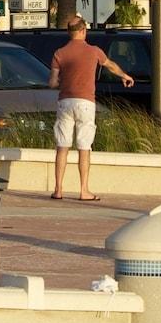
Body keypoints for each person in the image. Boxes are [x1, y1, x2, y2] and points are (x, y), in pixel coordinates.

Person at [48, 17, 134, 202]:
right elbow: (110, 65)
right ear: (83, 31)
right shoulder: (94, 51)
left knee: (62, 146)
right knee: (84, 147)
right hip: (86, 102)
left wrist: (63, 82)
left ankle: (58, 189)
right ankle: (84, 190)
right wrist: (124, 75)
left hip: (65, 102)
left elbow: (52, 82)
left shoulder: (59, 54)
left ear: (69, 32)